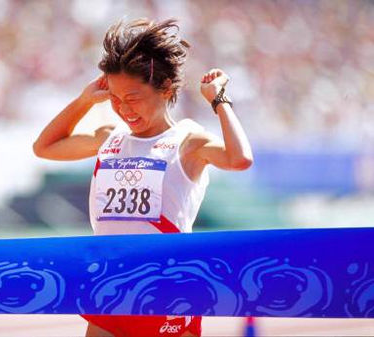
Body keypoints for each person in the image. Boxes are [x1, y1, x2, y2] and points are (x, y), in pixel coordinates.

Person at [33, 18, 253, 337]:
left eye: (133, 98)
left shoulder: (188, 140)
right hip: (111, 283)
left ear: (165, 89)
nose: (124, 109)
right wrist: (84, 100)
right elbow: (44, 147)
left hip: (167, 287)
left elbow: (240, 159)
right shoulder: (111, 137)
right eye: (115, 99)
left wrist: (219, 101)